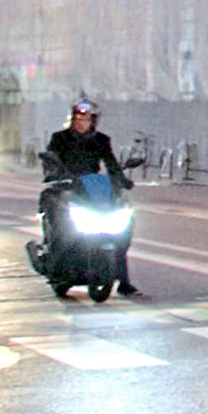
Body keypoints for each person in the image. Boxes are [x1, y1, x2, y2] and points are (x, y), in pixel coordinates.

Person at [38, 97, 141, 297]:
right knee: (62, 224)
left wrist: (121, 180)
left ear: (93, 121)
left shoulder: (101, 140)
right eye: (77, 118)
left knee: (123, 227)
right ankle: (58, 269)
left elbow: (110, 164)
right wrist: (57, 175)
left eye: (85, 119)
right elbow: (51, 163)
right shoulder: (59, 138)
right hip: (67, 187)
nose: (81, 122)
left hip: (92, 188)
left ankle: (124, 280)